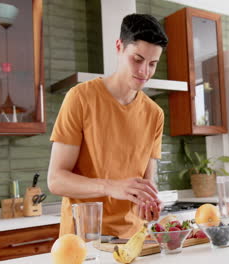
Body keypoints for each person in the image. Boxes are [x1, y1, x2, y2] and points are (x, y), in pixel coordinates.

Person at [47, 14, 168, 238]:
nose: (144, 72)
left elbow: (146, 182)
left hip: (132, 239)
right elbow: (56, 180)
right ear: (119, 47)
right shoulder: (80, 98)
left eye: (153, 64)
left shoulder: (155, 114)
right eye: (137, 59)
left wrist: (149, 203)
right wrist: (110, 186)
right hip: (84, 238)